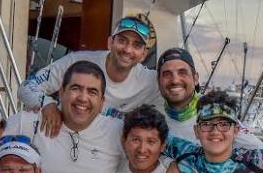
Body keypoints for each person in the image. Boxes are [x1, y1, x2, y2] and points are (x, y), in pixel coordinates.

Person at [19, 15, 161, 136]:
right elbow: (26, 87)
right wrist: (47, 104)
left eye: (136, 45)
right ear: (110, 42)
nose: (128, 50)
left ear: (143, 55)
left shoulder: (152, 81)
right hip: (67, 137)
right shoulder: (77, 61)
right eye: (122, 41)